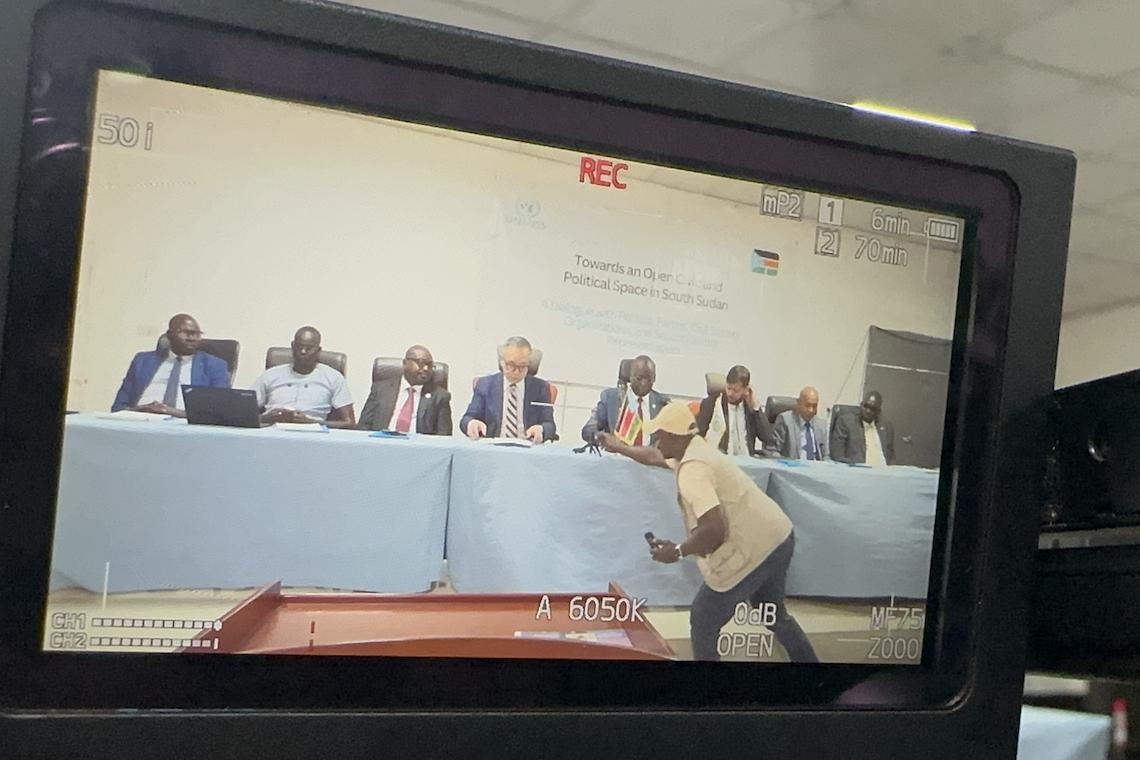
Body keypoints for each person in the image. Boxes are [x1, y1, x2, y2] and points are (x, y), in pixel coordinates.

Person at [599, 403, 817, 663]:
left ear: (674, 437)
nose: (656, 440)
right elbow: (654, 456)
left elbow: (714, 529)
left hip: (755, 548)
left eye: (660, 435)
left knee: (703, 618)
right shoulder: (694, 447)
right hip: (778, 535)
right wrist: (618, 447)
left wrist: (677, 551)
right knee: (774, 614)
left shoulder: (693, 472)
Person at [111, 313, 230, 415]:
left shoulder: (214, 365)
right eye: (186, 333)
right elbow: (118, 407)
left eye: (197, 334)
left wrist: (170, 411)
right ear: (169, 335)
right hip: (138, 422)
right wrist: (143, 409)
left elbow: (218, 412)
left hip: (184, 426)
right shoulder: (142, 361)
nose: (192, 338)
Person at [251, 326, 354, 427]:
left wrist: (310, 422)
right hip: (272, 429)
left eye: (308, 348)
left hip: (311, 432)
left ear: (318, 350)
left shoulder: (333, 378)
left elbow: (350, 423)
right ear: (292, 346)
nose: (303, 351)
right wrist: (267, 418)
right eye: (299, 347)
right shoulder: (270, 375)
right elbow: (245, 414)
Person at [461, 336, 556, 442]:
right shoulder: (485, 385)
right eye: (511, 365)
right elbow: (467, 418)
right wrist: (472, 423)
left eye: (522, 366)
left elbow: (550, 425)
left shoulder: (541, 388)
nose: (516, 371)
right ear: (502, 362)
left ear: (529, 364)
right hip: (493, 446)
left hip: (527, 446)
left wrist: (541, 429)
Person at [358, 344, 452, 435]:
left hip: (418, 444)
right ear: (405, 363)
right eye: (421, 363)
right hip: (382, 441)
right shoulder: (380, 389)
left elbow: (443, 436)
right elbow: (363, 427)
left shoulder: (440, 397)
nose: (426, 368)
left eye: (430, 365)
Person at [581, 355, 669, 443]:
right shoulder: (611, 398)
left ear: (654, 378)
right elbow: (588, 430)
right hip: (616, 451)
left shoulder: (662, 403)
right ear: (630, 376)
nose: (644, 383)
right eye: (639, 378)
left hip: (649, 451)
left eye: (649, 379)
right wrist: (600, 437)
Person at [695, 364, 775, 456]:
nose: (730, 393)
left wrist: (756, 408)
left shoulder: (749, 407)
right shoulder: (712, 403)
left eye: (736, 391)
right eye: (728, 388)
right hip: (720, 459)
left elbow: (767, 438)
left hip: (747, 460)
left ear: (746, 389)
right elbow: (698, 435)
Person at [829, 390, 895, 465]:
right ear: (861, 405)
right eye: (865, 406)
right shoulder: (846, 422)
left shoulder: (886, 426)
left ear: (878, 411)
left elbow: (891, 456)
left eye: (873, 408)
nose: (868, 411)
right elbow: (837, 456)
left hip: (883, 470)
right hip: (859, 470)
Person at [773, 386, 828, 460]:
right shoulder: (785, 420)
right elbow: (773, 451)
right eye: (807, 405)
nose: (811, 410)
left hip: (816, 466)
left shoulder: (821, 425)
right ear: (798, 403)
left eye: (814, 406)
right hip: (792, 465)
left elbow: (826, 455)